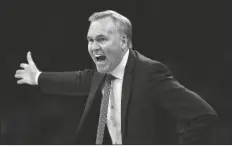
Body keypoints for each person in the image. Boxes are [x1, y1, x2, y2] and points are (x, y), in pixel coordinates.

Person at [15, 10, 217, 145]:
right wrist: (38, 77)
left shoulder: (150, 74)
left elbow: (204, 115)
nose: (93, 47)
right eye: (90, 40)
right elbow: (76, 80)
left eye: (101, 39)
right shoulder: (101, 74)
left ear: (123, 42)